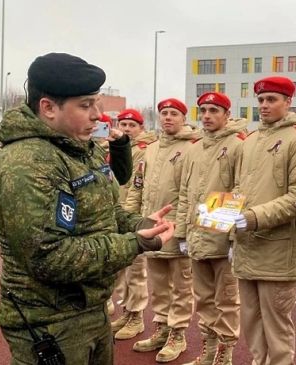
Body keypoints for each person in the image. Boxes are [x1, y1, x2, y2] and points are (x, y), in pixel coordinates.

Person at [0, 52, 176, 365]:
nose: (97, 116)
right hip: (50, 321)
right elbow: (49, 256)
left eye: (97, 104)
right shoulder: (26, 164)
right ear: (48, 108)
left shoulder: (77, 147)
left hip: (89, 308)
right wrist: (135, 243)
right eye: (85, 105)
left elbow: (103, 209)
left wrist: (139, 224)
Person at [232, 76, 296, 365]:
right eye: (261, 100)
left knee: (277, 326)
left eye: (272, 100)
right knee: (251, 321)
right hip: (247, 243)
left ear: (288, 102)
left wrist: (251, 218)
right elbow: (240, 189)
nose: (264, 106)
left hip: (278, 250)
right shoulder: (251, 141)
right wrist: (225, 216)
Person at [175, 92, 247, 365]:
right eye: (203, 110)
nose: (207, 116)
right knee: (203, 299)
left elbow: (238, 190)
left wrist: (230, 238)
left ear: (227, 114)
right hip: (196, 236)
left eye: (214, 110)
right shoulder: (194, 148)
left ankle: (224, 354)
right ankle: (207, 350)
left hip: (220, 236)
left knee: (227, 300)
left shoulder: (238, 145)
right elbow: (185, 192)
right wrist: (182, 232)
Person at [124, 98, 199, 362]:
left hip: (177, 229)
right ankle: (162, 328)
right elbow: (138, 185)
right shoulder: (152, 149)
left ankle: (177, 334)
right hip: (152, 227)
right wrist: (133, 219)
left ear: (183, 117)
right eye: (164, 113)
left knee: (181, 286)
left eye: (173, 114)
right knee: (158, 285)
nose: (168, 118)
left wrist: (184, 229)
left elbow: (192, 192)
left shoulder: (192, 148)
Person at [109, 107, 158, 340]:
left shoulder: (143, 151)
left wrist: (133, 215)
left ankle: (137, 317)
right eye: (124, 125)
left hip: (134, 215)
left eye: (132, 125)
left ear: (141, 128)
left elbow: (136, 186)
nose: (127, 129)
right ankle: (127, 312)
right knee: (122, 270)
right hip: (118, 213)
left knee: (136, 271)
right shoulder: (116, 148)